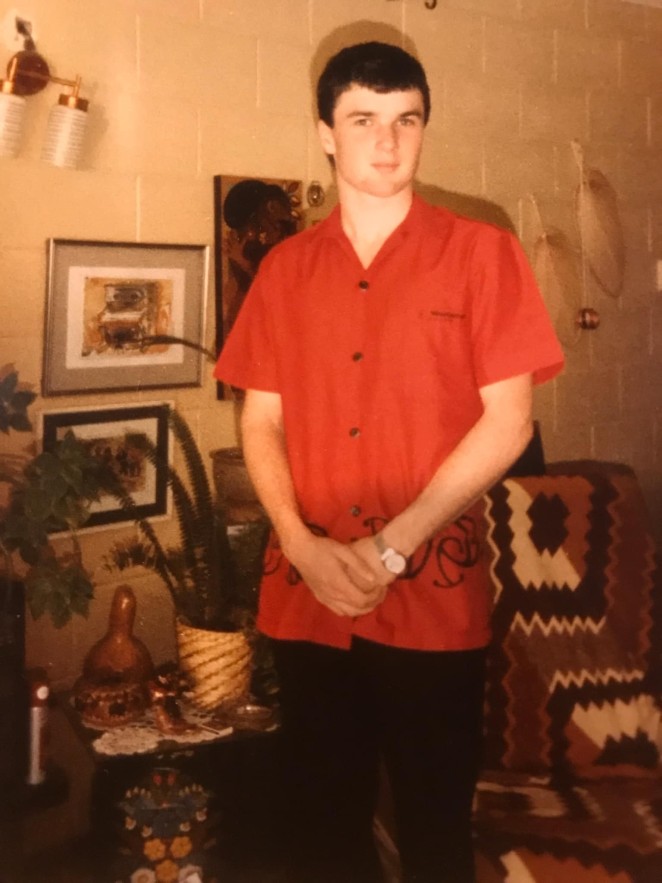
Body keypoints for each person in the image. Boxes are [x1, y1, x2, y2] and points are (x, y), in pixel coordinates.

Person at [214, 40, 564, 883]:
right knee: (324, 834)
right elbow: (260, 420)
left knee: (436, 835)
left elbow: (510, 422)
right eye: (364, 119)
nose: (387, 140)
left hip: (433, 599)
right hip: (306, 596)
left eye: (407, 120)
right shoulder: (283, 270)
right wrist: (301, 543)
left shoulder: (484, 253)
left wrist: (392, 545)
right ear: (326, 134)